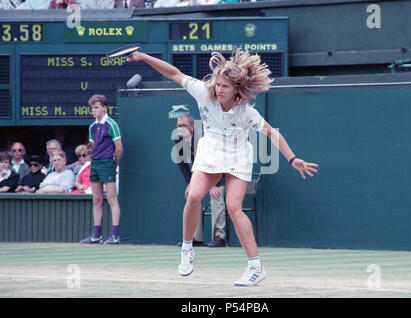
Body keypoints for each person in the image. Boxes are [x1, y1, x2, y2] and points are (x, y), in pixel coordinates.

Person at [127, 48, 319, 286]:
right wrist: (144, 57)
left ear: (237, 90)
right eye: (218, 84)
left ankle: (255, 267)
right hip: (210, 152)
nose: (218, 89)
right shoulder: (203, 93)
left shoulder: (246, 111)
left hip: (238, 157)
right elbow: (174, 73)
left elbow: (271, 133)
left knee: (233, 207)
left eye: (225, 86)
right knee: (194, 196)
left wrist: (293, 159)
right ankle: (187, 250)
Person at [174, 114, 226, 247]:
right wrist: (190, 183)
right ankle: (194, 237)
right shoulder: (178, 138)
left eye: (183, 126)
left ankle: (219, 237)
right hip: (202, 172)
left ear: (192, 127)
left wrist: (215, 184)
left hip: (219, 172)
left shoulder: (203, 137)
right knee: (192, 196)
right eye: (178, 126)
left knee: (216, 196)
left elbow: (215, 159)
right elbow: (182, 163)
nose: (180, 129)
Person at [80, 94, 123, 245]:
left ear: (104, 108)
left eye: (97, 107)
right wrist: (90, 149)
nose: (94, 110)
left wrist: (114, 164)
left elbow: (119, 148)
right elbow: (92, 145)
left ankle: (115, 235)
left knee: (112, 199)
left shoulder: (112, 124)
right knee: (96, 199)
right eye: (92, 108)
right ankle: (97, 235)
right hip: (95, 164)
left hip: (108, 164)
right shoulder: (92, 127)